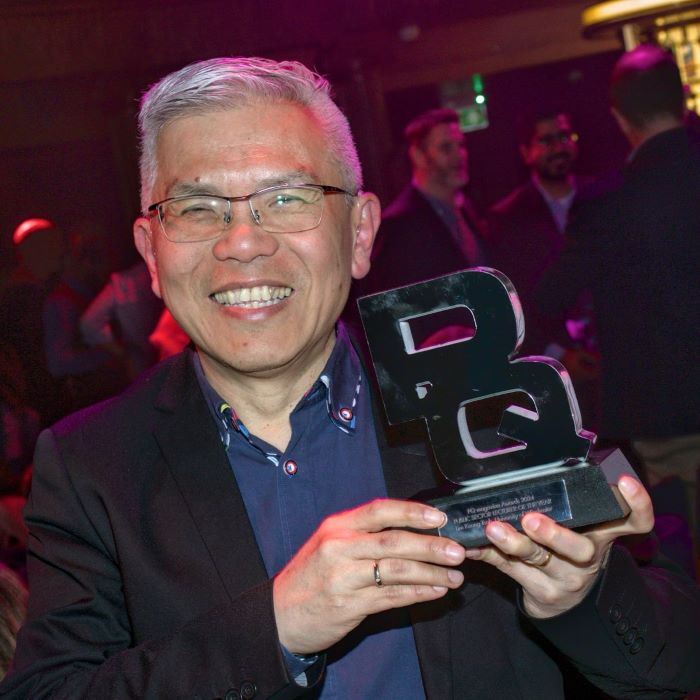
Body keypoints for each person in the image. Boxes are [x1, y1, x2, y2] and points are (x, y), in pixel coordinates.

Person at [2, 56, 698, 699]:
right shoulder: (92, 466)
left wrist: (581, 594)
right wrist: (276, 627)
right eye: (196, 208)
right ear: (151, 253)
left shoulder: (487, 408)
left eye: (287, 198)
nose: (242, 241)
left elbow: (671, 658)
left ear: (361, 233)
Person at [537, 45, 700, 549]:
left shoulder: (611, 199)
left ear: (618, 116)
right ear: (683, 98)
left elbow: (549, 294)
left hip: (670, 410)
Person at [487, 111, 600, 428]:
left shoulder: (603, 197)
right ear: (526, 152)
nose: (559, 147)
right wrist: (556, 355)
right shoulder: (508, 218)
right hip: (554, 368)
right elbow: (510, 298)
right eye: (547, 140)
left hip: (615, 359)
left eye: (564, 137)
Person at [353, 108, 486, 299]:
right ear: (418, 155)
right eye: (446, 147)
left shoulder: (465, 208)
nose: (460, 155)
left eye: (461, 145)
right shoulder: (399, 226)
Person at [80, 260, 164, 381]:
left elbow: (89, 324)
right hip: (157, 366)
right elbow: (89, 324)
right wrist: (124, 353)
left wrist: (123, 353)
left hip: (151, 368)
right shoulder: (126, 282)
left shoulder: (125, 283)